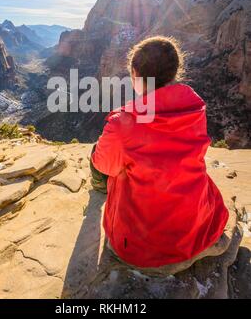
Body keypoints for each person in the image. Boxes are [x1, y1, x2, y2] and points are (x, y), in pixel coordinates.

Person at [90, 36, 229, 271]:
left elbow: (104, 166)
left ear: (135, 74)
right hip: (198, 229)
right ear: (174, 72)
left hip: (139, 247)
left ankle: (98, 191)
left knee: (98, 153)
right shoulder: (195, 109)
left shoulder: (123, 123)